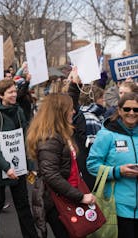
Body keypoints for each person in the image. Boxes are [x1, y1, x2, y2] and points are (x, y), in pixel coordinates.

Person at [27, 94, 96, 238]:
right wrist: (80, 197)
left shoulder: (61, 133)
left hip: (67, 196)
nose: (74, 112)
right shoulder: (50, 138)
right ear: (60, 112)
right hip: (58, 201)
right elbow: (51, 175)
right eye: (70, 109)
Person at [0, 79, 37, 238]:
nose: (14, 95)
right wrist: (6, 167)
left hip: (18, 168)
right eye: (10, 92)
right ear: (1, 95)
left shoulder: (18, 111)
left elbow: (26, 138)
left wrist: (31, 164)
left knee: (24, 207)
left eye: (15, 91)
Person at [87, 92, 138, 237]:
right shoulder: (107, 134)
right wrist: (117, 171)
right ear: (120, 110)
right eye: (127, 109)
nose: (132, 113)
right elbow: (92, 165)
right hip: (118, 207)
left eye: (136, 109)